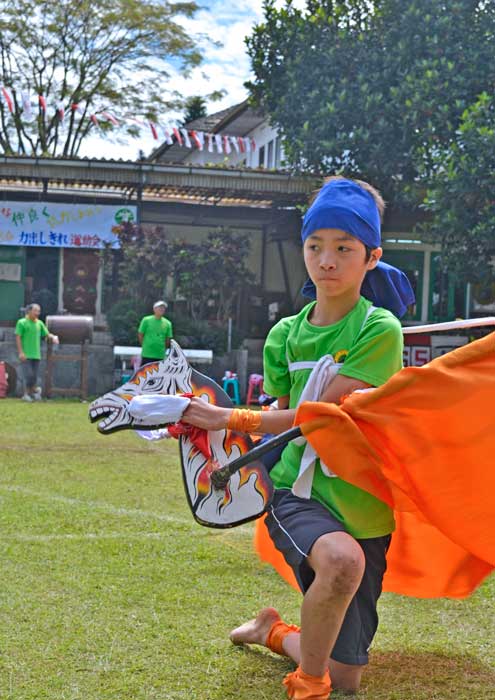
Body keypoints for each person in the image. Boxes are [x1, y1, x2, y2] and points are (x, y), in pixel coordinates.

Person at [180, 176, 414, 700]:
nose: (326, 260)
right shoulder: (284, 335)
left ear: (371, 257)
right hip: (295, 491)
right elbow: (282, 415)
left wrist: (229, 418)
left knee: (347, 674)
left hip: (364, 499)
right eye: (315, 246)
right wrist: (222, 424)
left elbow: (319, 416)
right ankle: (307, 684)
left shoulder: (379, 330)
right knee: (341, 562)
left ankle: (274, 632)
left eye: (343, 248)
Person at [15, 303, 59, 402]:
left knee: (34, 376)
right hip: (26, 354)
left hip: (36, 354)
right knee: (28, 375)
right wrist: (21, 352)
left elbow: (47, 334)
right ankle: (27, 393)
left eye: (38, 311)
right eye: (35, 311)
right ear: (29, 311)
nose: (37, 313)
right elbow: (18, 338)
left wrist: (53, 337)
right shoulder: (21, 322)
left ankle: (34, 392)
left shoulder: (39, 323)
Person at [137, 301, 173, 366]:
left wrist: (164, 350)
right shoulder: (146, 320)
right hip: (147, 354)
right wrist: (145, 346)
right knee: (145, 374)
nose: (162, 309)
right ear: (154, 309)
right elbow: (140, 334)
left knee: (159, 375)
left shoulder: (168, 323)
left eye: (163, 308)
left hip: (160, 355)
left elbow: (168, 339)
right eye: (160, 307)